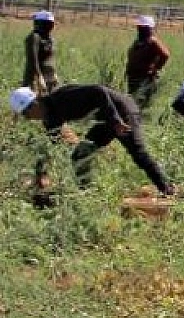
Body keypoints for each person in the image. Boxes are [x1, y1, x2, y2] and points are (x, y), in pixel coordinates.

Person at [9, 84, 174, 196]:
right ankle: (88, 194)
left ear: (34, 103)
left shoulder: (62, 98)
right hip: (106, 119)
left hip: (122, 111)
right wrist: (40, 175)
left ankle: (167, 190)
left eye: (26, 114)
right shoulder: (50, 118)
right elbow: (49, 147)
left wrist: (115, 120)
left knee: (137, 152)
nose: (28, 118)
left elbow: (98, 91)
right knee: (81, 155)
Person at [125, 16, 171, 107]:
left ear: (150, 28)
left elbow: (165, 55)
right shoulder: (138, 41)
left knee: (142, 103)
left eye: (144, 27)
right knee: (133, 102)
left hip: (145, 79)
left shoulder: (152, 41)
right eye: (140, 27)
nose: (140, 29)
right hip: (133, 78)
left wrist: (155, 69)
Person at [22, 11, 59, 95]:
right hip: (35, 78)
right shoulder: (34, 37)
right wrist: (39, 77)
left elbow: (50, 59)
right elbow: (33, 59)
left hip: (49, 77)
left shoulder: (50, 39)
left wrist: (54, 74)